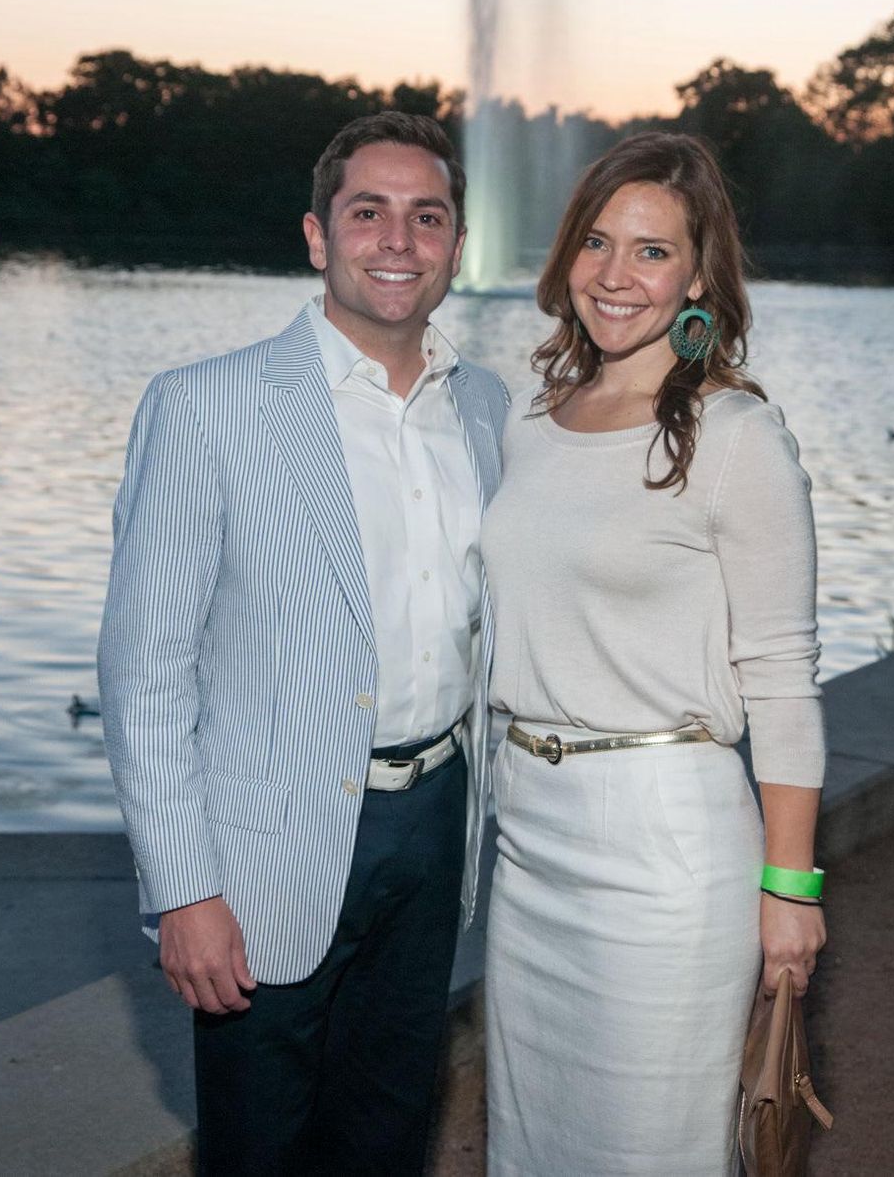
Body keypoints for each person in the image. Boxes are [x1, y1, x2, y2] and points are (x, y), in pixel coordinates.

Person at [97, 111, 508, 1176]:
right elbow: (145, 674)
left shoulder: (489, 410)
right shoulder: (205, 408)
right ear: (318, 237)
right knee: (257, 1150)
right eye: (366, 212)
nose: (397, 240)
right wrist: (184, 889)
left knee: (384, 1135)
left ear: (456, 246)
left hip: (431, 834)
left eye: (426, 217)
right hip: (265, 845)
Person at [481, 132, 827, 1176]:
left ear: (696, 275)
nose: (613, 275)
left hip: (664, 851)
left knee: (648, 1153)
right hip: (527, 834)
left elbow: (781, 679)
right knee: (530, 1145)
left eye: (649, 251)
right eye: (596, 242)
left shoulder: (732, 438)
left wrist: (789, 891)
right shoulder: (532, 421)